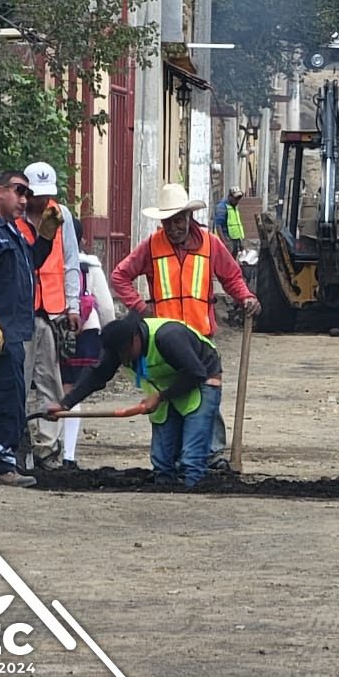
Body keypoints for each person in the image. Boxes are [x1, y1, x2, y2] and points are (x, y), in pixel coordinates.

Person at [111, 183, 260, 469]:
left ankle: (212, 453)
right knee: (171, 398)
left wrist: (246, 297)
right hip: (165, 342)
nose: (173, 227)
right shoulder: (152, 245)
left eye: (178, 220)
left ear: (189, 217)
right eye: (168, 222)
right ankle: (177, 455)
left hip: (200, 336)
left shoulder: (209, 243)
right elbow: (120, 276)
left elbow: (231, 277)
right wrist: (142, 310)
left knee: (206, 395)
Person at [0, 170, 60, 487]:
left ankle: (0, 459)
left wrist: (44, 238)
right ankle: (1, 465)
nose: (24, 200)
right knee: (6, 393)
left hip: (13, 328)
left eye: (27, 194)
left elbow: (28, 264)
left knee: (10, 393)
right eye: (19, 192)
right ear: (0, 190)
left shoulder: (10, 231)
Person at [48, 313, 223, 488]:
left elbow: (195, 373)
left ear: (136, 339)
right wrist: (65, 404)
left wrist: (161, 397)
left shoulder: (168, 337)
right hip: (166, 386)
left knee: (191, 457)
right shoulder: (119, 348)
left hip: (202, 379)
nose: (124, 360)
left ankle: (192, 492)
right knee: (162, 461)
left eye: (125, 353)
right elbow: (96, 376)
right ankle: (166, 494)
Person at [15, 161, 81, 470]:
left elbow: (70, 262)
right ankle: (15, 446)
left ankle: (47, 448)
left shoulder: (61, 215)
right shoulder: (14, 217)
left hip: (51, 312)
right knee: (18, 379)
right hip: (21, 310)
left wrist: (73, 305)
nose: (41, 202)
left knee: (49, 381)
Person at [57, 241, 120, 469]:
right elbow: (105, 307)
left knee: (54, 388)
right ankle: (69, 454)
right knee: (73, 393)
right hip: (85, 332)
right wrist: (113, 342)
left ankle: (47, 447)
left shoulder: (54, 261)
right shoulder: (90, 265)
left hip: (56, 328)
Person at [213, 187, 246, 257]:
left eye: (238, 198)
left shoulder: (234, 207)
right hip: (227, 239)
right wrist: (224, 242)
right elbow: (218, 225)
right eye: (235, 198)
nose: (237, 200)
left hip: (235, 241)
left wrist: (240, 243)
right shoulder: (222, 207)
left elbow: (237, 226)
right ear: (230, 197)